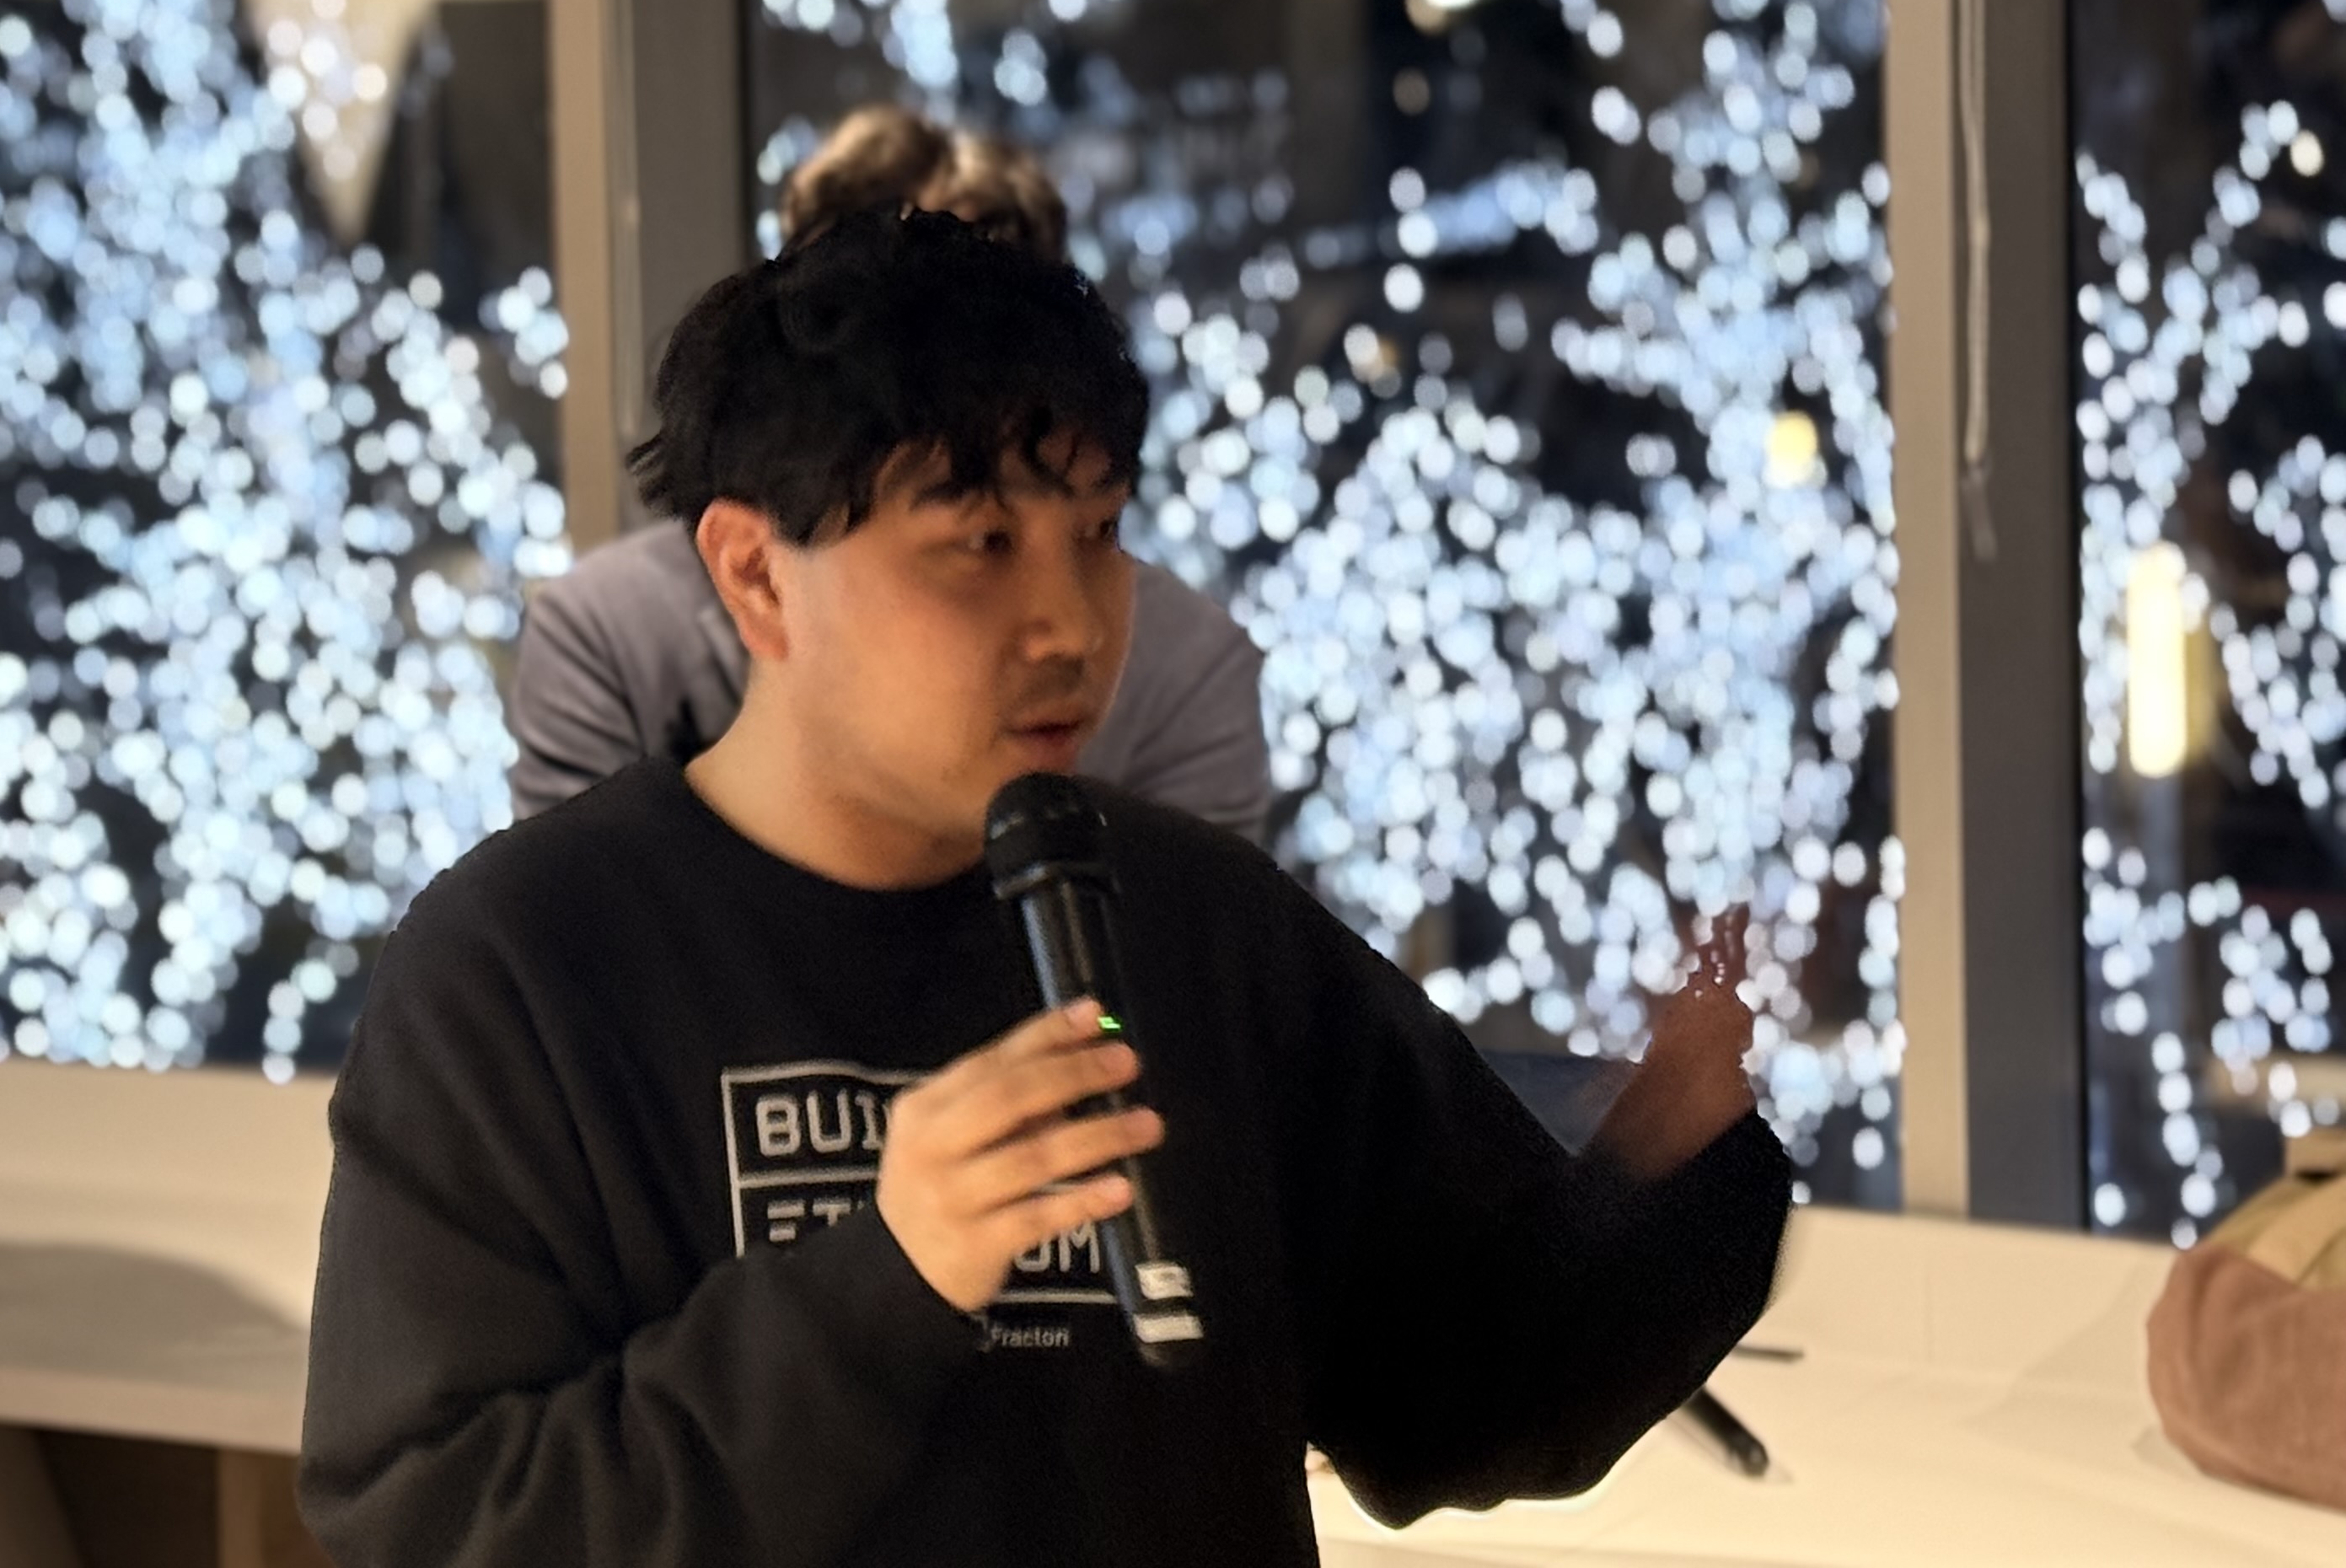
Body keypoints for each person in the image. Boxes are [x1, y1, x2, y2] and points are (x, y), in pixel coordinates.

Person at [301, 212, 1788, 1568]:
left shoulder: (1195, 921)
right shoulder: (524, 964)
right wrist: (884, 1276)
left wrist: (1668, 1156)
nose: (1068, 620)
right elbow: (435, 1526)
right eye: (979, 545)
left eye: (1096, 532)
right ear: (755, 573)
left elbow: (1457, 1396)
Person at [508, 107, 1270, 837]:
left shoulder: (1178, 657)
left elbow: (1201, 945)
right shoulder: (616, 629)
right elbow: (572, 921)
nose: (1070, 631)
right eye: (867, 317)